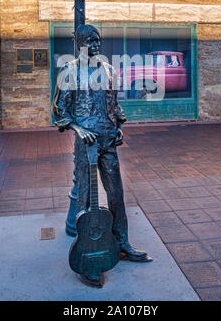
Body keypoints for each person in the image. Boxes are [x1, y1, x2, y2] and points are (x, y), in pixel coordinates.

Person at [52, 24, 151, 287]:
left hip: (108, 140)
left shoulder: (108, 70)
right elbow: (59, 108)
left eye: (99, 41)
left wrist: (118, 126)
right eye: (92, 42)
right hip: (87, 144)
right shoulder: (70, 71)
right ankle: (87, 256)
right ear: (80, 44)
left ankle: (122, 243)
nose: (97, 46)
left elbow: (113, 103)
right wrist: (78, 128)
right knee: (86, 198)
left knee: (116, 194)